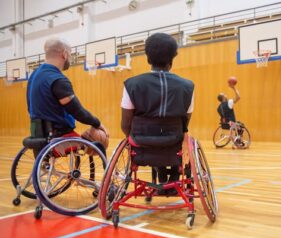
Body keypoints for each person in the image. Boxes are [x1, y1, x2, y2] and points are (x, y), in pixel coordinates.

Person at [120, 33, 194, 195]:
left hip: (141, 146)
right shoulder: (187, 86)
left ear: (147, 58)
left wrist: (135, 140)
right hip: (173, 142)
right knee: (177, 133)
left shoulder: (131, 84)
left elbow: (125, 125)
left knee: (153, 135)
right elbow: (184, 123)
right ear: (172, 59)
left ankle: (161, 176)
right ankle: (174, 178)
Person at [27, 38, 107, 151]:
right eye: (70, 54)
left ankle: (48, 168)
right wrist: (97, 123)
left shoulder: (34, 76)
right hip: (58, 136)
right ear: (64, 54)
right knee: (98, 143)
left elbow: (29, 106)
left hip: (37, 133)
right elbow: (77, 112)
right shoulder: (58, 79)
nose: (70, 58)